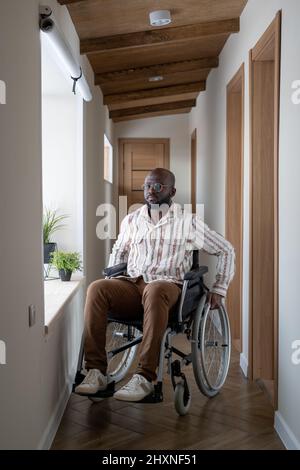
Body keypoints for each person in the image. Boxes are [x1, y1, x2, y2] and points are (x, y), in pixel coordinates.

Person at [75, 168, 235, 402]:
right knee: (97, 288)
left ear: (172, 191)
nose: (150, 191)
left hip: (168, 288)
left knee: (155, 288)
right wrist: (112, 283)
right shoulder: (132, 220)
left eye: (158, 186)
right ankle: (96, 371)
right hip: (133, 285)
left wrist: (220, 289)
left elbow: (226, 249)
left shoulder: (188, 222)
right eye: (147, 185)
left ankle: (145, 377)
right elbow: (119, 252)